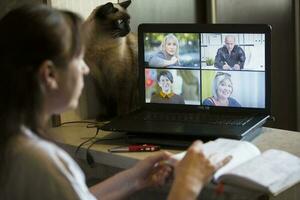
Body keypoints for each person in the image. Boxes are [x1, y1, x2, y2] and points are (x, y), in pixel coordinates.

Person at [0, 5, 229, 200]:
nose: (86, 68)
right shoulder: (40, 162)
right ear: (49, 74)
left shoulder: (15, 143)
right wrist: (188, 183)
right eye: (78, 58)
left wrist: (136, 178)